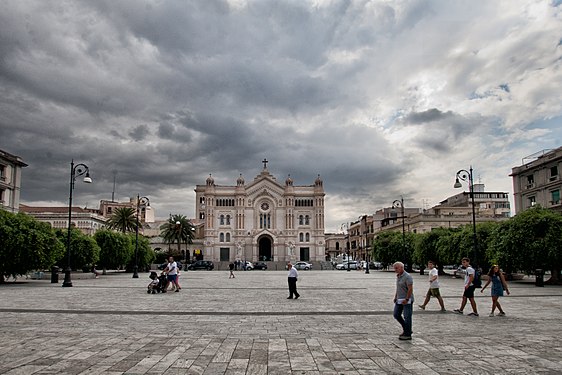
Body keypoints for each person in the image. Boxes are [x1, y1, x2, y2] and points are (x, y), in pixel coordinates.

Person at [393, 261, 414, 340]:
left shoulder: (407, 276)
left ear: (402, 267)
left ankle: (407, 334)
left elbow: (410, 289)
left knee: (407, 316)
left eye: (396, 268)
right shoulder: (398, 276)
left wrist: (407, 298)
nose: (395, 270)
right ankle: (406, 328)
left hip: (406, 300)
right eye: (395, 268)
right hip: (399, 299)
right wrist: (396, 296)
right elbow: (398, 288)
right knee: (396, 314)